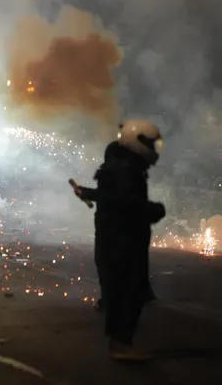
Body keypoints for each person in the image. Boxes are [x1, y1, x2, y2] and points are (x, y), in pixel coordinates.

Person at [73, 119, 165, 361]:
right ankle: (121, 344)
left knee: (120, 288)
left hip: (115, 236)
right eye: (151, 144)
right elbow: (127, 204)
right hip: (124, 238)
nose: (154, 150)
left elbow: (109, 197)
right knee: (129, 291)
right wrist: (154, 210)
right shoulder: (126, 170)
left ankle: (119, 340)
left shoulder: (118, 166)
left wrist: (85, 192)